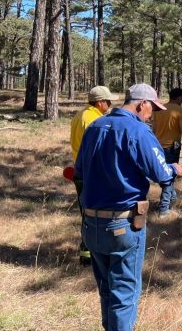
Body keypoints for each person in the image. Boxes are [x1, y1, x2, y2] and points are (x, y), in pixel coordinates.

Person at [74, 83, 182, 331]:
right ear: (142, 103)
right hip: (123, 224)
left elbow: (79, 170)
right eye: (152, 109)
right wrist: (173, 168)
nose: (151, 114)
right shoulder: (138, 131)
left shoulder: (94, 127)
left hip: (91, 224)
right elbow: (161, 174)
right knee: (124, 294)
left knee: (107, 291)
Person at [69, 85, 119, 264]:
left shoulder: (80, 115)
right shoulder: (92, 119)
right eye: (108, 101)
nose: (110, 104)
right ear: (99, 102)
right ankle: (91, 254)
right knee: (95, 215)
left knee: (86, 213)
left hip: (80, 171)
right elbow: (97, 149)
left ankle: (87, 253)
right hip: (92, 173)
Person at [152, 87, 182, 217]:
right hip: (171, 147)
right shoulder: (179, 110)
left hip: (157, 147)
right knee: (168, 177)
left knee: (166, 176)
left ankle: (172, 199)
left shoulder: (159, 109)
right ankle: (164, 209)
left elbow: (153, 128)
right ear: (178, 97)